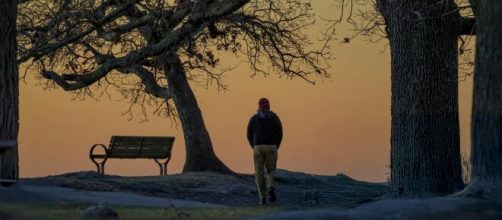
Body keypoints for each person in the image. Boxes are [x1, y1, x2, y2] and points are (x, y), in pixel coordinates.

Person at [247, 98, 283, 205]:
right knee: (271, 170)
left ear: (259, 106)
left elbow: (248, 134)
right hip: (271, 147)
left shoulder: (254, 118)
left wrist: (254, 146)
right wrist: (276, 146)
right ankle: (271, 187)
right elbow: (280, 133)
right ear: (269, 106)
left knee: (259, 173)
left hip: (258, 147)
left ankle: (262, 198)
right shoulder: (275, 118)